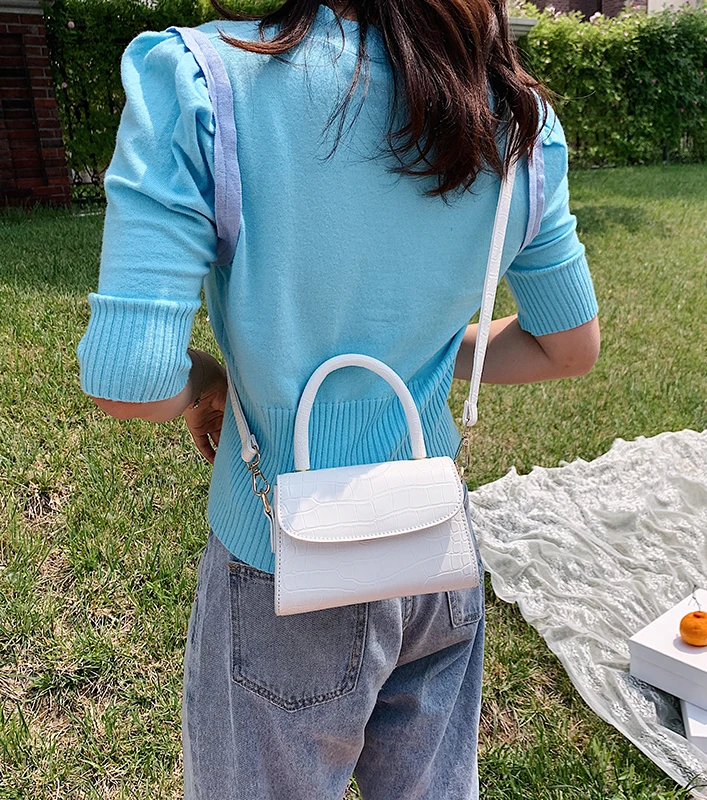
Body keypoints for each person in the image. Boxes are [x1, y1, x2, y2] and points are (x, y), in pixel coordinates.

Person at [77, 1, 601, 797]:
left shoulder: (201, 84)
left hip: (278, 563)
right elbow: (568, 347)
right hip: (433, 550)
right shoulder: (514, 121)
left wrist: (210, 381)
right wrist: (429, 351)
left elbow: (130, 381)